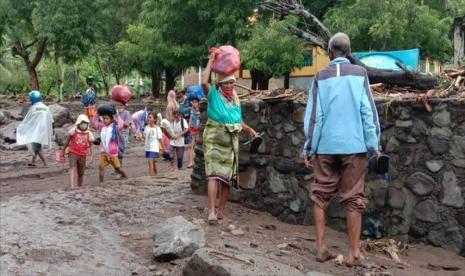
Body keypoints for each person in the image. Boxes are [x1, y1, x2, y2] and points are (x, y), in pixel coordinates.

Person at [302, 32, 381, 267]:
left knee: (320, 195)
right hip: (354, 147)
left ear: (329, 52)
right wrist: (374, 146)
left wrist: (309, 147)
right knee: (354, 198)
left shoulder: (320, 76)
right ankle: (353, 253)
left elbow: (315, 116)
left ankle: (321, 248)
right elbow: (368, 112)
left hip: (325, 146)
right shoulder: (360, 74)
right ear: (349, 52)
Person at [202, 51, 257, 224]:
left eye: (232, 84)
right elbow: (204, 82)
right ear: (221, 85)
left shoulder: (235, 100)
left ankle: (221, 211)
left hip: (229, 142)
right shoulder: (213, 95)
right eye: (227, 84)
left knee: (226, 179)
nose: (231, 87)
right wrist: (211, 61)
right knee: (213, 174)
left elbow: (237, 120)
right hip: (213, 138)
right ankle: (211, 212)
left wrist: (248, 130)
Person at [16, 91, 54, 167]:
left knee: (37, 147)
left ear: (33, 99)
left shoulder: (33, 108)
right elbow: (51, 120)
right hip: (43, 130)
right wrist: (53, 129)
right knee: (36, 146)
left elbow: (27, 120)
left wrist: (20, 127)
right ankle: (33, 162)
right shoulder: (46, 108)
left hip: (36, 131)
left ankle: (45, 164)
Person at [92, 112, 128, 183]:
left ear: (111, 119)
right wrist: (96, 114)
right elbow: (94, 124)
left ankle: (125, 177)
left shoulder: (115, 127)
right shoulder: (102, 127)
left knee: (118, 168)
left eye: (107, 119)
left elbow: (121, 124)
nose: (105, 120)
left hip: (112, 154)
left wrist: (117, 115)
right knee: (101, 167)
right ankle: (101, 182)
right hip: (104, 153)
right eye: (104, 118)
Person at [61, 114, 94, 189]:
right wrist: (63, 151)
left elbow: (91, 145)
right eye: (82, 123)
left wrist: (91, 156)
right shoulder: (73, 131)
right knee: (72, 168)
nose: (84, 125)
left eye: (85, 123)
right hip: (73, 152)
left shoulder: (89, 133)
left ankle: (80, 186)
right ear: (78, 123)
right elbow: (67, 142)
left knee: (81, 173)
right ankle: (72, 186)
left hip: (83, 154)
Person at [115, 102, 133, 168]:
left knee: (120, 152)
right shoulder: (115, 113)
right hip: (115, 134)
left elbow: (127, 125)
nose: (119, 106)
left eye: (121, 105)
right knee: (114, 151)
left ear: (124, 106)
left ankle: (119, 169)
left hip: (122, 134)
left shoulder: (126, 113)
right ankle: (117, 168)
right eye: (118, 105)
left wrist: (118, 120)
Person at [186, 98, 201, 168]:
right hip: (192, 129)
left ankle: (197, 161)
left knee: (197, 146)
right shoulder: (190, 110)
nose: (194, 103)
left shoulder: (201, 110)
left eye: (196, 102)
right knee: (190, 146)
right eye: (193, 102)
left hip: (198, 130)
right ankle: (190, 162)